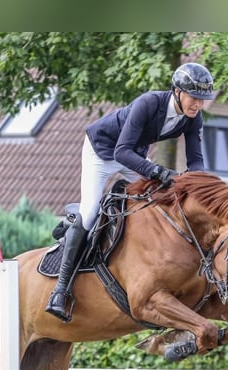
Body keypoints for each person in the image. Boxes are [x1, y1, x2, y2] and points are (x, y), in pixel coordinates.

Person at [45, 62, 216, 322]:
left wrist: (204, 188)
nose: (198, 105)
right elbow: (120, 152)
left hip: (134, 156)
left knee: (157, 204)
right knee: (91, 211)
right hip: (103, 152)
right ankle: (60, 290)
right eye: (194, 98)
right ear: (178, 92)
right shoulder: (148, 103)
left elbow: (195, 163)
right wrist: (159, 172)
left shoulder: (194, 118)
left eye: (202, 100)